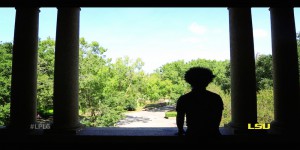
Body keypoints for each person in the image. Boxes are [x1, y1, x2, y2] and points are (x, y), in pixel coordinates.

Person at [176, 67, 224, 137]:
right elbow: (218, 118)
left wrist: (180, 130)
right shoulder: (215, 98)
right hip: (213, 134)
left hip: (192, 134)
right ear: (208, 82)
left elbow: (180, 118)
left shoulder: (184, 99)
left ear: (189, 81)